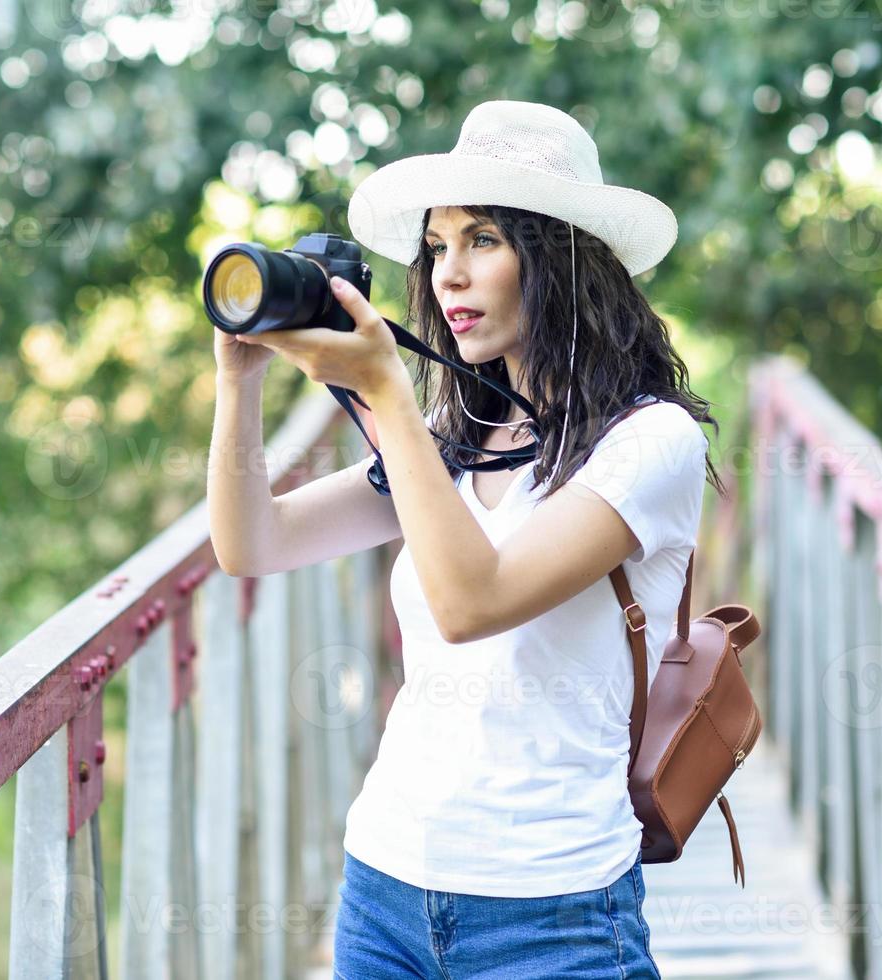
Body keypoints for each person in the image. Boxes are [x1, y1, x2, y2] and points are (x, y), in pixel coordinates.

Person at [209, 100, 726, 979]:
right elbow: (251, 542)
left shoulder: (650, 443)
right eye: (437, 245)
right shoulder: (459, 440)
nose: (449, 274)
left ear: (563, 260)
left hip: (552, 914)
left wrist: (384, 392)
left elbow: (470, 601)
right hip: (383, 890)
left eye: (483, 239)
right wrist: (240, 380)